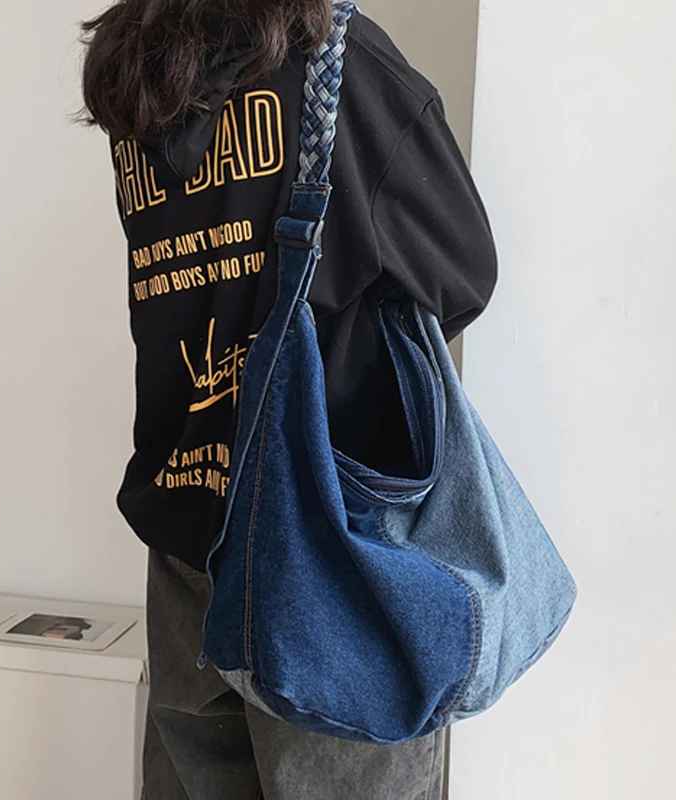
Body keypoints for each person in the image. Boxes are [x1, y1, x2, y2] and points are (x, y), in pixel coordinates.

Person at [79, 1, 497, 798]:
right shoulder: (334, 56)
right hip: (329, 542)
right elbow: (463, 272)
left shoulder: (139, 75)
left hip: (187, 518)